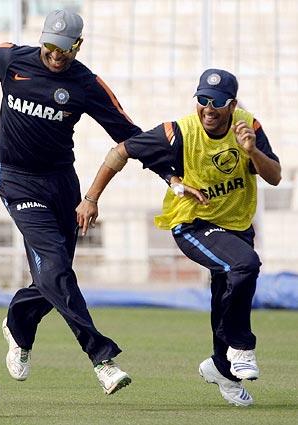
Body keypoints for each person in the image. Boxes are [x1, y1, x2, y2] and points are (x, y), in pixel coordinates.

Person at [0, 9, 143, 395]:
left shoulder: (86, 84)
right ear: (41, 41)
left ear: (78, 46)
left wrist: (171, 174)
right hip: (17, 182)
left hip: (61, 186)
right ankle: (102, 358)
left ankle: (18, 326)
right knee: (55, 268)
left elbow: (129, 135)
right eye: (50, 47)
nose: (56, 56)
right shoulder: (13, 58)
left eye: (64, 50)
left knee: (54, 275)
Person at [76, 68, 281, 406]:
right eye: (202, 100)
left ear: (232, 105)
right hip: (193, 224)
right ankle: (241, 346)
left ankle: (222, 369)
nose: (208, 109)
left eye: (216, 103)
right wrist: (91, 198)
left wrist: (252, 152)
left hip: (237, 226)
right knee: (245, 265)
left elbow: (274, 176)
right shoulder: (178, 132)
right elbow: (120, 152)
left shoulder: (249, 127)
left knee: (226, 290)